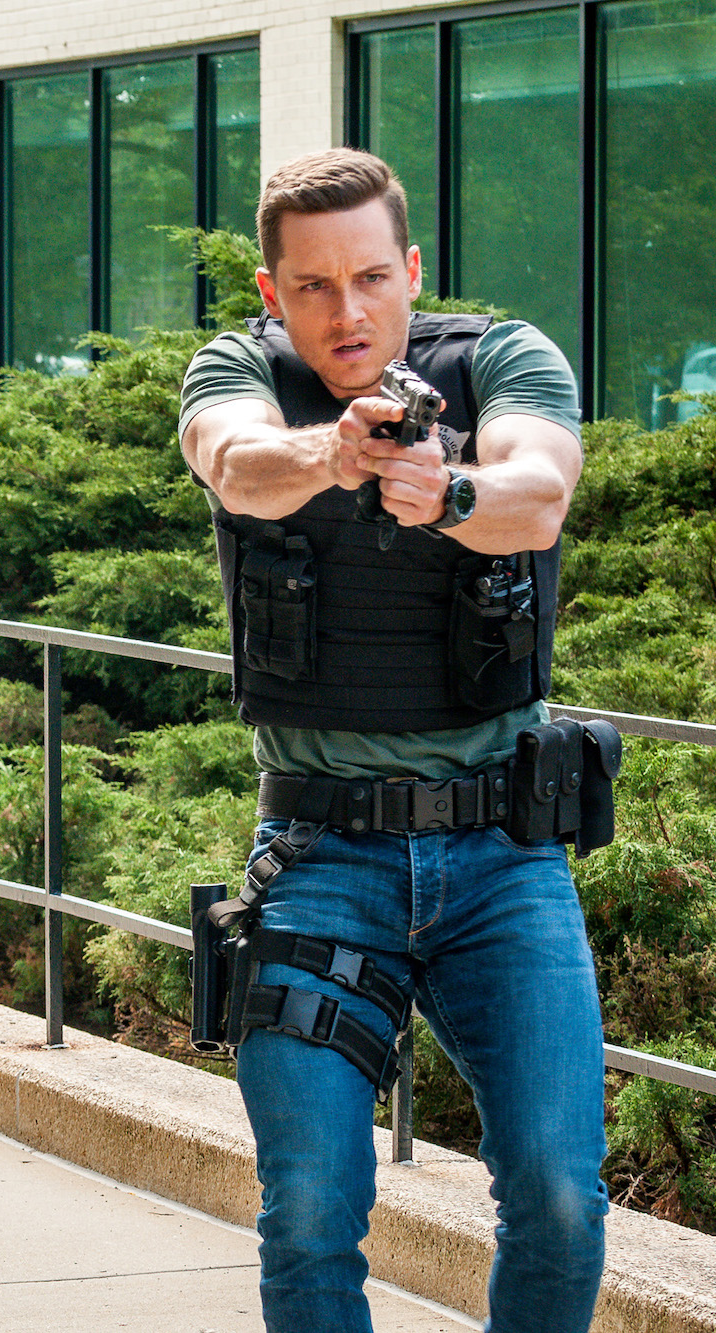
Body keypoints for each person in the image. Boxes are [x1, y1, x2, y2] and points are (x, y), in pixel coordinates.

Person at [178, 147, 606, 1332]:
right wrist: (334, 453)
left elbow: (542, 488)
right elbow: (232, 463)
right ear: (272, 294)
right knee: (309, 1208)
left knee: (561, 1198)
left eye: (370, 278)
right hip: (319, 861)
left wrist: (446, 491)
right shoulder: (237, 370)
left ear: (410, 272)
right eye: (310, 287)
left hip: (502, 859)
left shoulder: (502, 357)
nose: (345, 310)